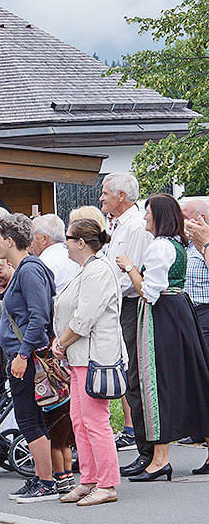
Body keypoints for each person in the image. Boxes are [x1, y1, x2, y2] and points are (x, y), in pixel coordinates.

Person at [116, 193, 209, 481]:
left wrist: (130, 267)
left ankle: (160, 459)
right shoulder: (178, 245)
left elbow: (149, 292)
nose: (144, 218)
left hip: (163, 316)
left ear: (159, 217)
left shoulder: (159, 247)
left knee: (158, 384)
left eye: (148, 213)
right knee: (193, 380)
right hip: (180, 311)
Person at [50, 218, 123, 505]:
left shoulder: (98, 271)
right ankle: (90, 478)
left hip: (94, 357)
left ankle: (107, 484)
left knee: (95, 421)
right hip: (80, 356)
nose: (64, 243)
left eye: (68, 238)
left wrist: (61, 341)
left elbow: (84, 317)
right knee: (80, 421)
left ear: (80, 242)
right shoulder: (87, 269)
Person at [0, 214, 60, 502]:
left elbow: (38, 316)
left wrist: (21, 354)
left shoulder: (29, 270)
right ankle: (42, 477)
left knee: (29, 418)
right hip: (24, 355)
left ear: (10, 241)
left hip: (28, 357)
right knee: (31, 417)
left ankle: (45, 481)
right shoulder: (25, 269)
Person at [101, 173, 154, 475]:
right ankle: (145, 450)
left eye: (106, 192)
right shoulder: (122, 224)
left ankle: (147, 451)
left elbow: (130, 278)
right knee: (130, 375)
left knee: (135, 377)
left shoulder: (135, 226)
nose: (102, 198)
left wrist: (103, 292)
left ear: (121, 195)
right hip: (122, 306)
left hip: (132, 306)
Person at [181, 197, 209, 474]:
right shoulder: (187, 246)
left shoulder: (204, 243)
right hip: (193, 314)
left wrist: (204, 245)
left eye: (186, 217)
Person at [31, 213, 79, 290]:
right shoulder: (75, 257)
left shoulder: (44, 265)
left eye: (32, 236)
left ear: (44, 239)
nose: (30, 241)